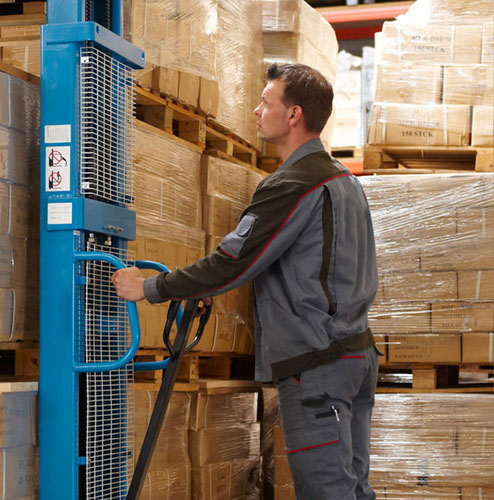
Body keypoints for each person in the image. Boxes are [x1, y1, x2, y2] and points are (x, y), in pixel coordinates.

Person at [113, 63, 379, 500]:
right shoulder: (346, 182)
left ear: (293, 115)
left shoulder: (293, 184)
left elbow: (232, 264)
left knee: (328, 493)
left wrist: (148, 288)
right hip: (355, 356)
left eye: (265, 102)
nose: (256, 111)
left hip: (317, 369)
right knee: (353, 489)